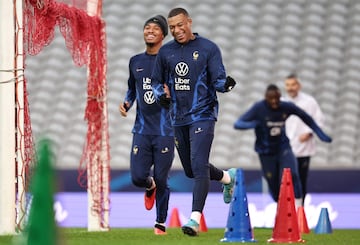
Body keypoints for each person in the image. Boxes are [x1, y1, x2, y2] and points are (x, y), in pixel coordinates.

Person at [151, 7, 237, 236]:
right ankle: (228, 178)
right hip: (178, 117)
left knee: (199, 165)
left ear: (189, 22)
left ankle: (194, 219)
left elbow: (218, 79)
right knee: (190, 170)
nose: (177, 30)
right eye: (172, 27)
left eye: (180, 25)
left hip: (203, 113)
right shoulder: (165, 52)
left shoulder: (208, 48)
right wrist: (162, 96)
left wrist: (225, 84)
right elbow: (156, 82)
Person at [119, 15, 174, 235]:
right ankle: (148, 185)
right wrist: (127, 102)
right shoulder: (135, 61)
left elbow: (180, 92)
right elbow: (132, 88)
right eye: (147, 28)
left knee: (163, 178)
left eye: (155, 28)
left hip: (165, 132)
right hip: (141, 130)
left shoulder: (170, 61)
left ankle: (160, 222)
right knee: (137, 177)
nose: (149, 31)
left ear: (163, 35)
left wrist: (171, 98)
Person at [233, 84, 332, 207]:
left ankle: (298, 206)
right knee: (272, 181)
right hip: (265, 151)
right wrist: (254, 124)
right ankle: (280, 206)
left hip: (283, 148)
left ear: (279, 97)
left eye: (276, 98)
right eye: (271, 99)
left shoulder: (285, 107)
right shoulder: (259, 108)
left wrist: (319, 133)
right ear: (266, 98)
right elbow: (238, 123)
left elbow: (306, 117)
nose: (274, 102)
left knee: (291, 174)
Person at [284, 73, 325, 205]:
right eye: (288, 85)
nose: (290, 88)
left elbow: (319, 120)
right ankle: (287, 209)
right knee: (286, 181)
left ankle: (299, 210)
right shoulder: (283, 103)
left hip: (303, 149)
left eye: (293, 84)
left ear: (299, 85)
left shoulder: (309, 102)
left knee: (301, 180)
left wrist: (309, 132)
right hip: (286, 150)